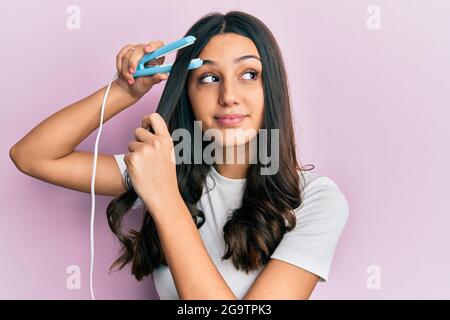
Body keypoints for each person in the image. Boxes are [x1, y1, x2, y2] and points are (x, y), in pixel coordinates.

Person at [9, 10, 349, 300]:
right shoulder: (165, 169)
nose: (229, 95)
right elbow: (32, 156)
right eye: (210, 77)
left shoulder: (317, 201)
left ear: (270, 88)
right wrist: (124, 91)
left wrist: (165, 198)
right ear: (188, 94)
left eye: (249, 74)